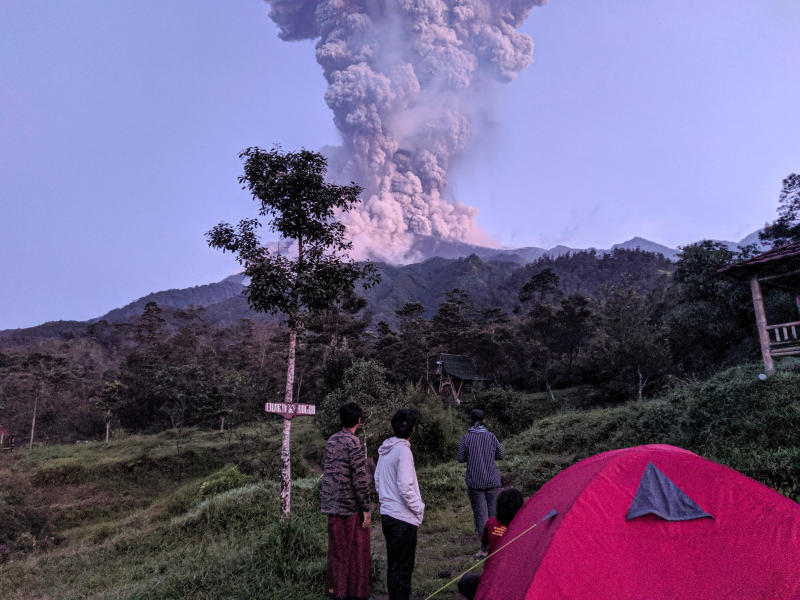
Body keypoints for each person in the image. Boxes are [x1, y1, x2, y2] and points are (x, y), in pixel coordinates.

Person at [320, 402, 371, 600]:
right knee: (356, 552)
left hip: (332, 505)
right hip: (349, 507)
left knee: (337, 552)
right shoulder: (353, 443)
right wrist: (366, 507)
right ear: (358, 421)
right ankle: (355, 592)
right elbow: (359, 478)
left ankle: (336, 591)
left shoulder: (331, 441)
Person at [374, 409, 425, 600]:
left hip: (388, 515)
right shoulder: (403, 450)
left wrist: (388, 500)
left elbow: (378, 480)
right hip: (403, 517)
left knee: (394, 565)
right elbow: (405, 487)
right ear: (412, 430)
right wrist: (418, 507)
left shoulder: (385, 449)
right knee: (403, 568)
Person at [457, 488, 525, 600]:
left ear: (498, 507)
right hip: (516, 582)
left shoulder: (491, 523)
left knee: (465, 581)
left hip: (492, 580)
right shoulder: (525, 528)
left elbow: (484, 542)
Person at [456, 408, 504, 557]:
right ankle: (498, 545)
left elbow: (460, 458)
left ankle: (484, 548)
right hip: (492, 480)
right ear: (484, 420)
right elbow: (500, 455)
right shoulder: (491, 436)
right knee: (495, 514)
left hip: (475, 483)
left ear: (471, 421)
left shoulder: (467, 438)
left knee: (480, 515)